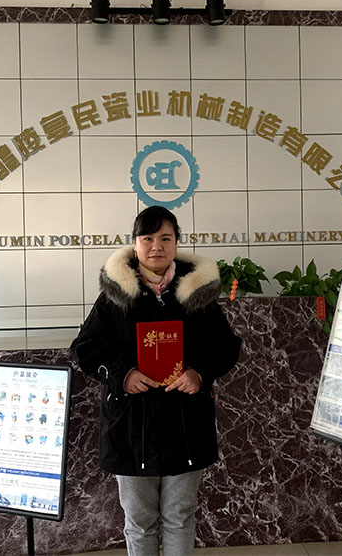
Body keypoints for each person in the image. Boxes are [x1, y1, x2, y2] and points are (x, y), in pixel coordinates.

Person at [71, 206, 242, 556]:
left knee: (180, 516)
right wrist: (122, 375)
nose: (156, 247)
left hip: (185, 424)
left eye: (165, 238)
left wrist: (199, 373)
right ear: (135, 244)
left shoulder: (197, 292)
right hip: (131, 426)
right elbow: (85, 348)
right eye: (147, 238)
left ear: (176, 243)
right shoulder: (117, 293)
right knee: (140, 521)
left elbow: (227, 346)